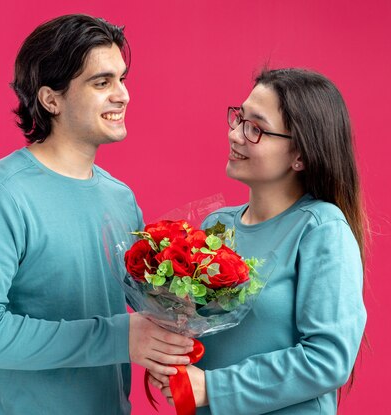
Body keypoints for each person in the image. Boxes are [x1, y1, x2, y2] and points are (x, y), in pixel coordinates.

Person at [0, 14, 193, 415]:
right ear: (51, 99)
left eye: (122, 79)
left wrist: (182, 309)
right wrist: (119, 337)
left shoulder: (120, 197)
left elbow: (137, 311)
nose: (122, 95)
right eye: (102, 83)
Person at [148, 68, 367, 414]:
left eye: (256, 129)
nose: (235, 135)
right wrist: (170, 355)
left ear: (301, 156)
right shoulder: (216, 227)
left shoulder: (321, 230)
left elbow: (329, 360)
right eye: (238, 119)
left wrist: (212, 387)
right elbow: (201, 332)